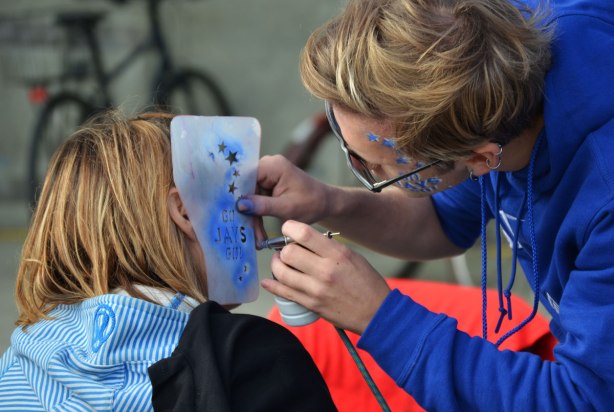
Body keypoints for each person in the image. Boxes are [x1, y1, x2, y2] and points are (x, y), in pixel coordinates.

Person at [237, 0, 614, 409]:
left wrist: (381, 320)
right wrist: (326, 201)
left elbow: (582, 401)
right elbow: (442, 220)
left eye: (378, 166)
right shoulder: (479, 60)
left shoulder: (604, 199)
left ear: (482, 159)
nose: (363, 167)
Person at [0, 110, 335, 411]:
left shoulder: (20, 358)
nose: (253, 223)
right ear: (185, 211)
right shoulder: (250, 359)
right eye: (234, 197)